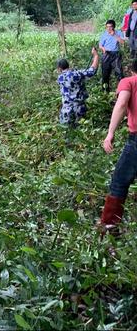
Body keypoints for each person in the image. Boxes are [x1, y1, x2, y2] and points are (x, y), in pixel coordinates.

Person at [100, 59, 137, 234]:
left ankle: (110, 226)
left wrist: (110, 133)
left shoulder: (128, 82)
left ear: (131, 70)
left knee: (120, 182)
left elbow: (122, 104)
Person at [57, 47, 99, 126]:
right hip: (79, 107)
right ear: (68, 65)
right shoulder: (78, 74)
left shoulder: (60, 78)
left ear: (59, 69)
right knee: (81, 129)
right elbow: (92, 71)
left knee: (67, 131)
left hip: (66, 109)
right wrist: (96, 56)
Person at [99, 19, 125, 91]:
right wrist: (103, 49)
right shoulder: (104, 34)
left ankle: (122, 90)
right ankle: (105, 91)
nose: (108, 29)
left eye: (110, 27)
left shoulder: (118, 32)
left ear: (114, 27)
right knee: (105, 75)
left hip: (116, 54)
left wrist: (114, 35)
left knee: (119, 73)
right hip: (106, 54)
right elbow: (100, 45)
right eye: (107, 27)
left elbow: (122, 42)